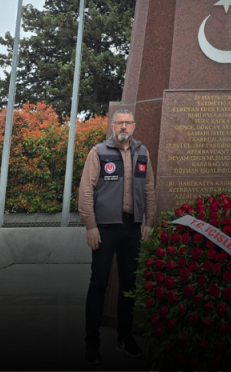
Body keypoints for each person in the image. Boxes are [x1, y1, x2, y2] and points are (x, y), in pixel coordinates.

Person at [78, 109, 156, 364]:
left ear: (134, 125)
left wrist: (149, 223)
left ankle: (125, 338)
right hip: (104, 229)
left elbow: (149, 190)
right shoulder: (98, 152)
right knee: (98, 284)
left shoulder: (142, 153)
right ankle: (92, 343)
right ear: (113, 126)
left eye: (128, 122)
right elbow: (86, 191)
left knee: (129, 286)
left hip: (132, 228)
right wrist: (90, 225)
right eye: (120, 122)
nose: (124, 126)